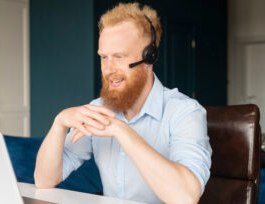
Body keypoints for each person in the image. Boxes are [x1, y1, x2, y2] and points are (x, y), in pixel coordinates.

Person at [34, 2, 212, 204]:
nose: (108, 69)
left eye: (119, 57)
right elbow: (44, 180)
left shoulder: (186, 113)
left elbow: (186, 197)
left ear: (149, 57)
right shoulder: (99, 109)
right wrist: (59, 123)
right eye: (103, 57)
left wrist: (122, 130)